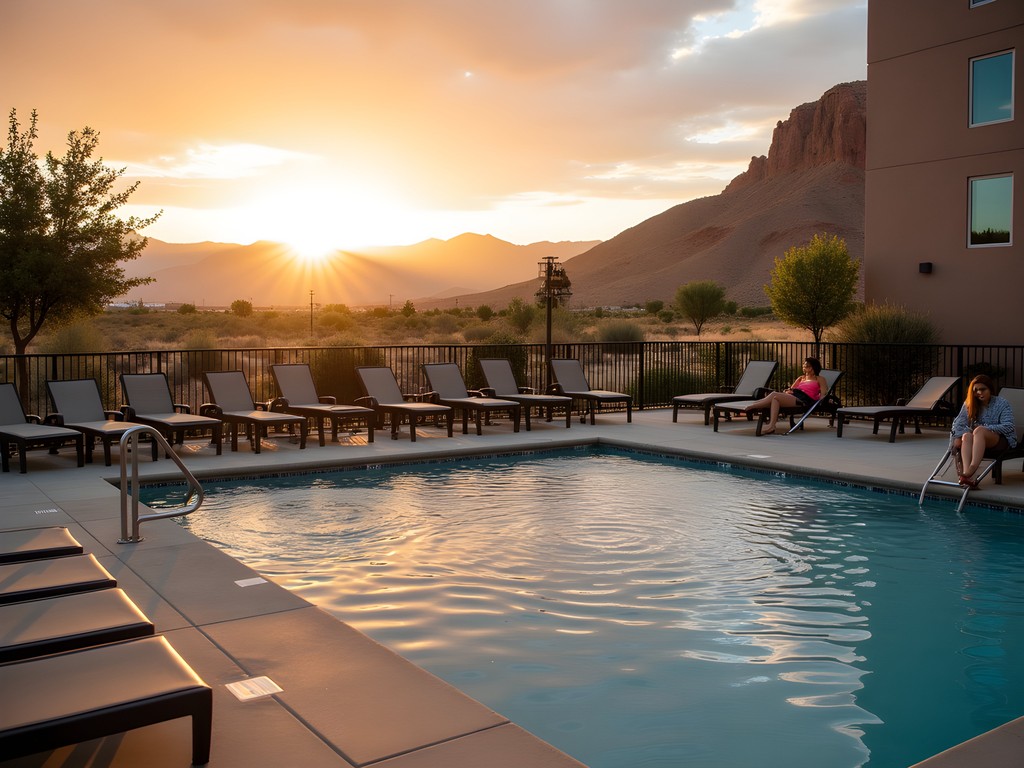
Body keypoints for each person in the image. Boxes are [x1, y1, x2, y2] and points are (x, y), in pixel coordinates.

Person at [950, 374, 1017, 488]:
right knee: (966, 436)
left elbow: (1009, 426)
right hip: (978, 439)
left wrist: (986, 428)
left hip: (1000, 439)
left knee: (979, 430)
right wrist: (957, 437)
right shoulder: (970, 403)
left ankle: (971, 470)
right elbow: (959, 423)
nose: (979, 393)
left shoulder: (1002, 403)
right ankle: (967, 476)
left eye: (983, 389)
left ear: (990, 389)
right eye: (976, 390)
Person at [743, 357, 827, 435]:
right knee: (775, 399)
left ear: (811, 368)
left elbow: (823, 394)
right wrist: (788, 391)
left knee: (774, 394)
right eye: (803, 365)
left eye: (805, 365)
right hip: (794, 396)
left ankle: (754, 405)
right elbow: (791, 389)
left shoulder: (820, 379)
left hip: (803, 400)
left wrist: (820, 402)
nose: (803, 367)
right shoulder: (801, 378)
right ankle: (771, 426)